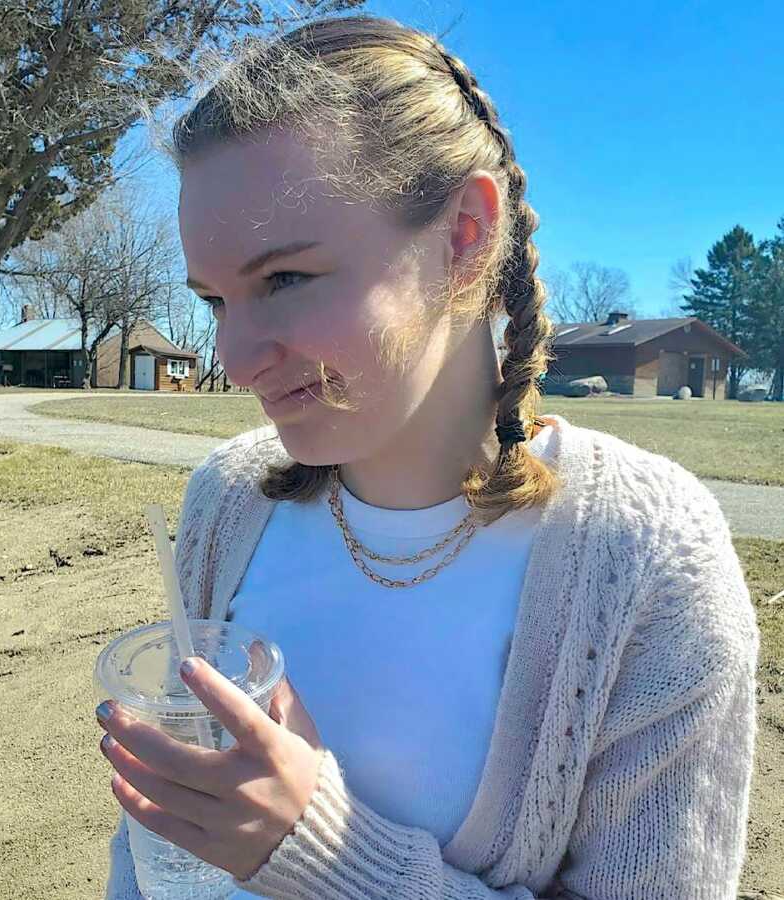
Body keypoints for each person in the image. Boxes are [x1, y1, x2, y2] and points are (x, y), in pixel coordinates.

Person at [97, 15, 759, 899]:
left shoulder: (643, 558)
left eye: (284, 279)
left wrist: (322, 851)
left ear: (463, 237)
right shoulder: (229, 501)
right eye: (215, 299)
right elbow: (157, 852)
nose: (236, 357)